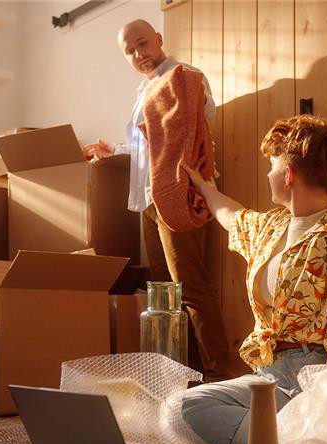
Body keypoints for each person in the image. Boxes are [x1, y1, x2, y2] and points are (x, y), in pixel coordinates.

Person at [180, 114, 327, 444]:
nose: (267, 174)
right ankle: (292, 439)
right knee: (185, 407)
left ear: (288, 175)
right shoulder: (271, 227)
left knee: (196, 417)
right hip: (268, 376)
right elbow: (233, 217)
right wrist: (202, 185)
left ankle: (302, 434)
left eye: (272, 166)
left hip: (313, 380)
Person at [83, 19, 241, 382]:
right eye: (131, 51)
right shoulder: (145, 90)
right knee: (165, 293)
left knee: (190, 287)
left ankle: (223, 375)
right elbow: (151, 146)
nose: (140, 54)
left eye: (143, 44)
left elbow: (192, 128)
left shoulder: (185, 78)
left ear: (158, 39)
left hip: (178, 194)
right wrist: (116, 151)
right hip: (148, 200)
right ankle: (182, 374)